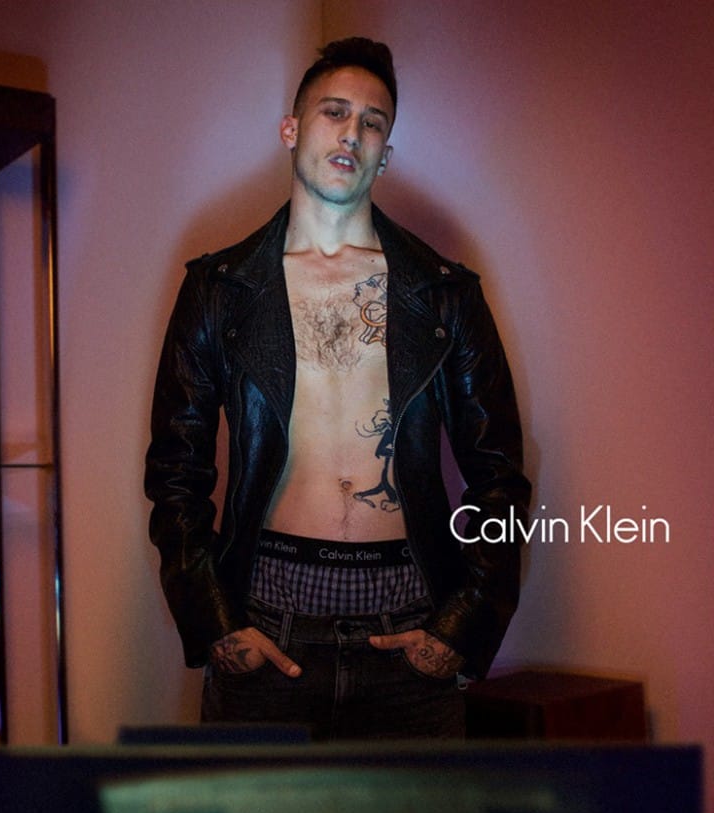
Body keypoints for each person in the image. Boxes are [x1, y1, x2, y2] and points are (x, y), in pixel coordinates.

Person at [145, 37, 530, 740]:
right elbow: (176, 471)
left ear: (386, 154)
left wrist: (460, 627)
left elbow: (500, 476)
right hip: (267, 622)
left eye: (372, 122)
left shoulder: (444, 294)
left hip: (410, 629)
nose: (352, 132)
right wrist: (215, 623)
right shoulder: (219, 291)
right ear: (291, 129)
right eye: (334, 112)